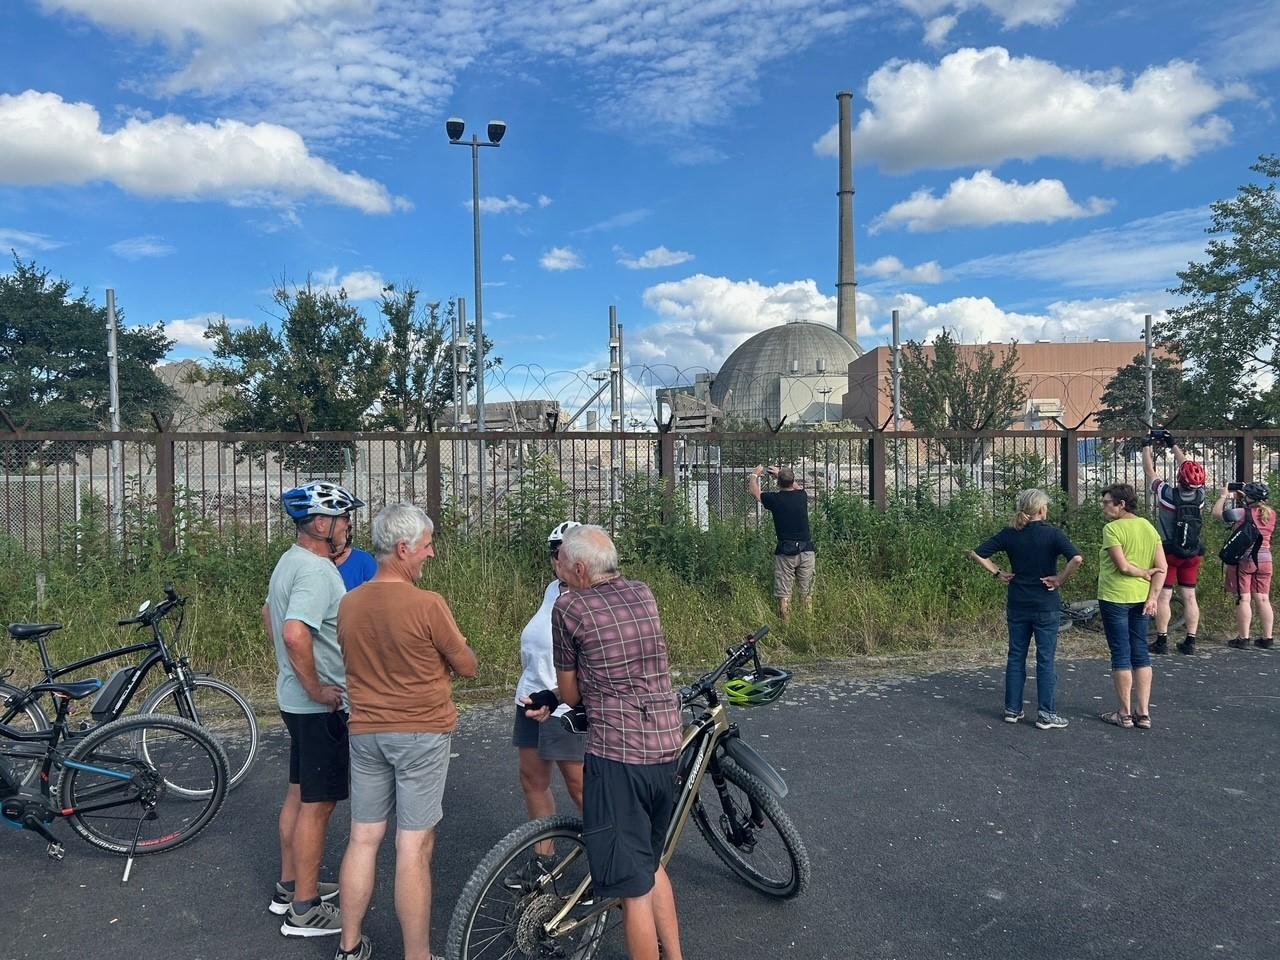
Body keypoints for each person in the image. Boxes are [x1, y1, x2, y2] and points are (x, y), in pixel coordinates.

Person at [333, 504, 478, 960]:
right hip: (421, 732)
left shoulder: (349, 603)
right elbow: (468, 666)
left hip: (366, 731)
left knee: (362, 838)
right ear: (402, 549)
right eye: (426, 546)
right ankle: (418, 955)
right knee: (412, 844)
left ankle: (349, 945)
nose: (430, 555)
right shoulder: (428, 604)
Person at [545, 525, 684, 960]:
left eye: (562, 562)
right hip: (665, 747)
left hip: (617, 755)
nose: (557, 569)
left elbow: (570, 695)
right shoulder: (643, 593)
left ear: (581, 568)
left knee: (632, 890)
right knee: (649, 863)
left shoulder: (569, 606)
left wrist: (566, 693)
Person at [265, 480, 363, 936]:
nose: (347, 527)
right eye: (343, 519)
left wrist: (293, 674)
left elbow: (270, 615)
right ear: (322, 524)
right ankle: (304, 908)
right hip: (317, 708)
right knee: (318, 806)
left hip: (294, 701)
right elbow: (293, 632)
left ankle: (291, 883)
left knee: (298, 793)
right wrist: (317, 687)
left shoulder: (290, 562)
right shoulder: (319, 572)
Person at [506, 521, 586, 890]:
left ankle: (610, 856)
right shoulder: (553, 589)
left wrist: (557, 697)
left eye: (567, 552)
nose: (560, 560)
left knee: (580, 787)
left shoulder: (594, 598)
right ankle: (545, 860)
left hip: (564, 705)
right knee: (533, 781)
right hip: (531, 696)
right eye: (556, 553)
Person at [968, 489, 1084, 729]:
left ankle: (1012, 709)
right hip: (1045, 603)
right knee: (1045, 659)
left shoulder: (1010, 534)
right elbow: (1077, 559)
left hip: (1018, 601)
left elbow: (978, 553)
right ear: (1041, 510)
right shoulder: (1053, 534)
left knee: (1016, 656)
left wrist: (998, 572)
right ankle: (1046, 713)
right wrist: (1060, 579)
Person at [1097, 483, 1167, 731]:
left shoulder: (1112, 529)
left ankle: (1125, 713)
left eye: (1107, 502)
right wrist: (1153, 597)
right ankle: (1143, 711)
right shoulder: (1148, 527)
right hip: (1141, 598)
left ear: (1121, 504)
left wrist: (1142, 572)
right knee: (1141, 653)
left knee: (1121, 653)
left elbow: (1123, 567)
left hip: (1115, 596)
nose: (1104, 507)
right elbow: (1163, 567)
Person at [1142, 438, 1206, 655]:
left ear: (1179, 478)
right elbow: (1187, 466)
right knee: (1189, 596)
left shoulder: (1167, 494)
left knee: (1164, 596)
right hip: (1192, 552)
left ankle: (1162, 640)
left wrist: (1146, 446)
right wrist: (1173, 444)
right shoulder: (1201, 497)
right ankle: (1191, 640)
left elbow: (1149, 471)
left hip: (1168, 553)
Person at [1212, 482, 1275, 650]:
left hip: (1245, 560)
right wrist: (1245, 497)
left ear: (1249, 498)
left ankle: (1243, 637)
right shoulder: (1272, 514)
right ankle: (1267, 638)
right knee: (1263, 598)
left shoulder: (1241, 512)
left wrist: (1224, 496)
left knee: (1244, 598)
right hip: (1266, 560)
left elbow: (1217, 514)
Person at [749, 464, 815, 621]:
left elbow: (756, 493)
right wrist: (780, 473)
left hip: (786, 552)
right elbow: (796, 486)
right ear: (792, 481)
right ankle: (808, 627)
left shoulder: (775, 499)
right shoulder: (802, 496)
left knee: (784, 595)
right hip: (807, 550)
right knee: (806, 595)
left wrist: (754, 475)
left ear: (778, 484)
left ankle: (786, 629)